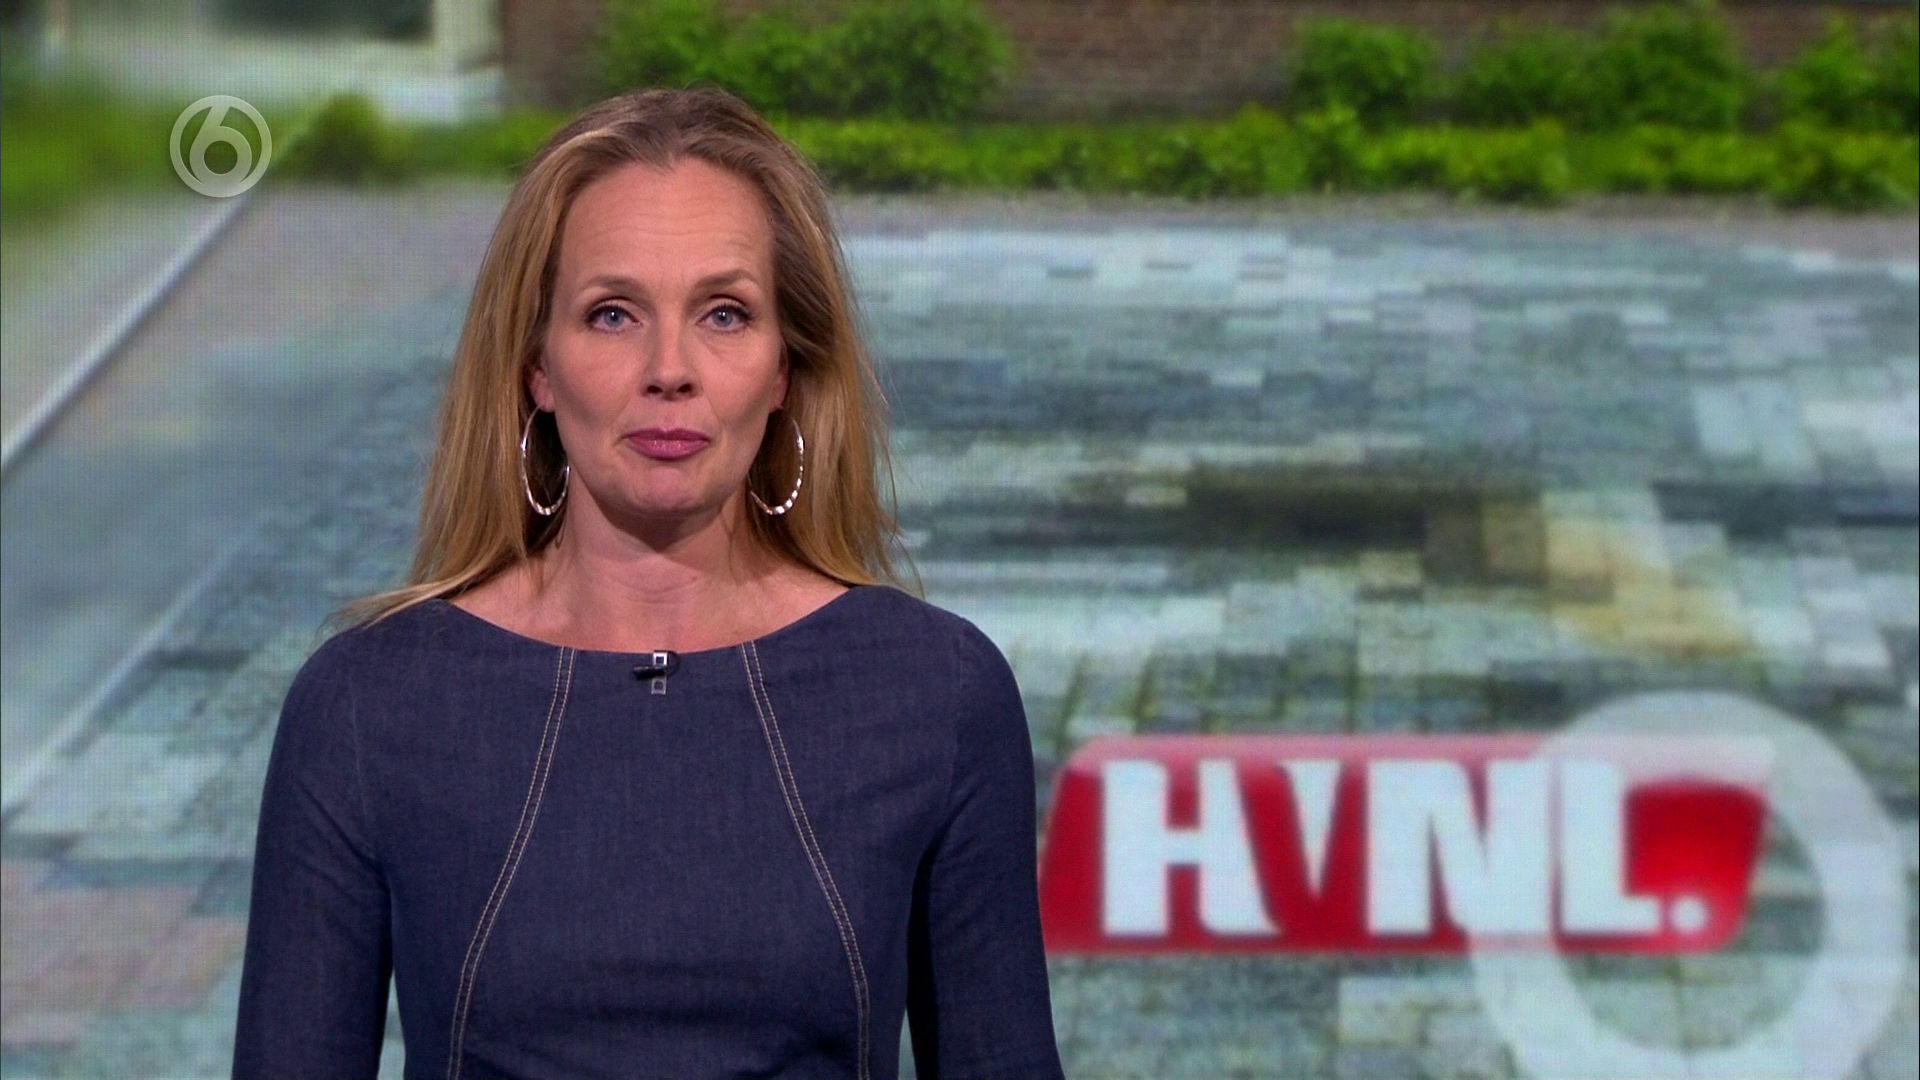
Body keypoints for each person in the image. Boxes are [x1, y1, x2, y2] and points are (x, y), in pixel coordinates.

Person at [230, 86, 1064, 1080]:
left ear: (785, 368)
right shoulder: (370, 704)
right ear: (537, 366)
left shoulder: (936, 692)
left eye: (724, 313)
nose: (670, 369)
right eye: (613, 314)